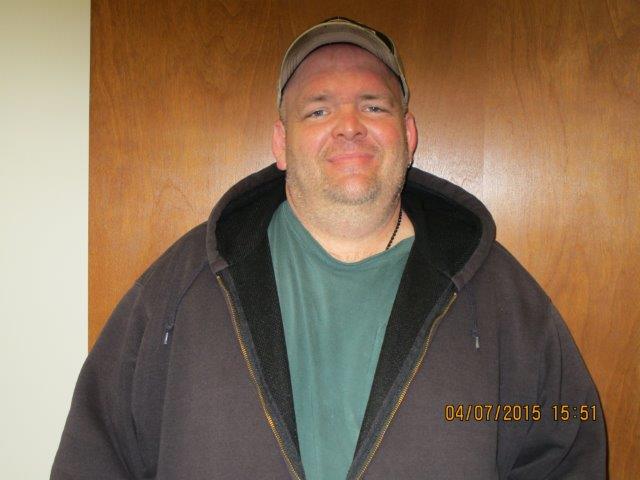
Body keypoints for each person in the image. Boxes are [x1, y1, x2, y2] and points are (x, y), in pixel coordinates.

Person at [51, 17, 606, 479]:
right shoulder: (183, 285)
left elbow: (567, 452)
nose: (349, 127)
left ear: (408, 135)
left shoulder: (501, 296)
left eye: (374, 106)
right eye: (318, 110)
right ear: (281, 143)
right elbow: (96, 457)